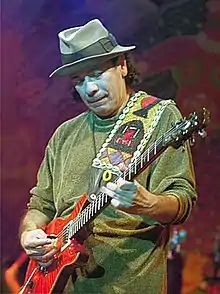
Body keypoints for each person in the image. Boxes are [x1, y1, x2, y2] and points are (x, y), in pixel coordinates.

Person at [19, 19, 197, 294]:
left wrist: (147, 204)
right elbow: (40, 205)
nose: (89, 89)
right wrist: (29, 233)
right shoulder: (64, 134)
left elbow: (182, 200)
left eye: (96, 73)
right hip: (62, 283)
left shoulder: (158, 117)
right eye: (79, 81)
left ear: (122, 65)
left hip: (130, 284)